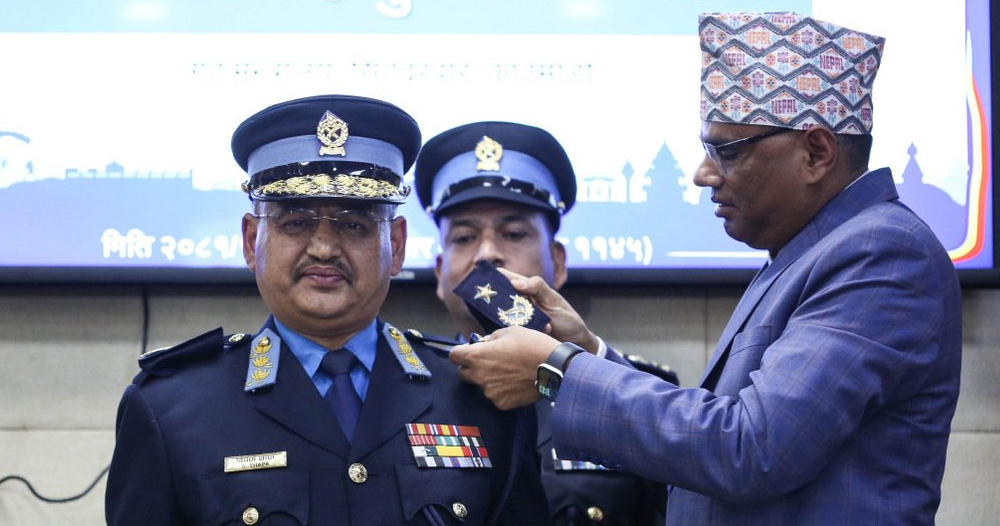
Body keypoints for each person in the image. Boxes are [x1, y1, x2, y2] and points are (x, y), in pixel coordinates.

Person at [449, 12, 962, 525]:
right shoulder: (809, 252)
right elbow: (717, 430)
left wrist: (557, 372)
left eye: (726, 152)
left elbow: (753, 448)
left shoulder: (880, 253)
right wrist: (587, 353)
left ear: (816, 153)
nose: (702, 174)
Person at [105, 95, 549, 525]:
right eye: (295, 222)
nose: (323, 247)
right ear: (251, 242)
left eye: (354, 225)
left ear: (396, 246)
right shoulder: (169, 408)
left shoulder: (479, 393)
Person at [413, 120, 677, 526]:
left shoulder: (629, 389)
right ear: (439, 272)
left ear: (557, 262)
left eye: (513, 233)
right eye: (464, 238)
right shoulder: (399, 393)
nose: (486, 254)